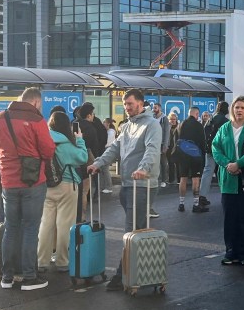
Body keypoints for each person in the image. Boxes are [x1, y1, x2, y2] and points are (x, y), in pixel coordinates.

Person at [88, 88, 161, 292]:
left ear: (141, 103)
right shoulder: (128, 126)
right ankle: (138, 271)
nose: (127, 108)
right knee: (135, 230)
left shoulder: (151, 125)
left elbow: (152, 150)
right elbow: (114, 150)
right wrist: (99, 164)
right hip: (128, 184)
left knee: (131, 230)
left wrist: (143, 169)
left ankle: (122, 276)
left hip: (142, 185)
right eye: (125, 104)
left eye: (130, 104)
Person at [0, 87, 57, 291]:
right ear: (35, 102)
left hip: (8, 182)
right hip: (33, 181)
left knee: (11, 227)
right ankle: (29, 277)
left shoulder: (0, 118)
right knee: (30, 228)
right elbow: (48, 150)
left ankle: (7, 277)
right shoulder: (37, 121)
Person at [211, 96, 244, 266]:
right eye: (236, 107)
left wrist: (240, 163)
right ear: (232, 109)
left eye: (242, 107)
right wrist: (228, 164)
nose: (239, 110)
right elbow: (215, 147)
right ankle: (231, 252)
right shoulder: (224, 128)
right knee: (230, 218)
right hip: (228, 180)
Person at [37, 110, 89, 273]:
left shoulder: (44, 140)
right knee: (64, 225)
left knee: (46, 224)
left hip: (47, 186)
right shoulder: (67, 143)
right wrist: (80, 140)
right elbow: (82, 158)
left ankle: (42, 261)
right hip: (67, 185)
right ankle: (62, 261)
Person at [176, 106, 209, 213]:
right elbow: (203, 141)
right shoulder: (199, 125)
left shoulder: (181, 124)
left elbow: (176, 139)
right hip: (195, 155)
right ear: (196, 114)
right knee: (196, 179)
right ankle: (195, 204)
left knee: (183, 178)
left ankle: (181, 203)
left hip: (182, 155)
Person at [202, 101, 230, 207]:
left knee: (207, 171)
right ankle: (226, 194)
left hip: (209, 149)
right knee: (224, 171)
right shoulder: (225, 121)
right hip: (221, 150)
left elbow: (205, 132)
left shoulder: (211, 118)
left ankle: (202, 196)